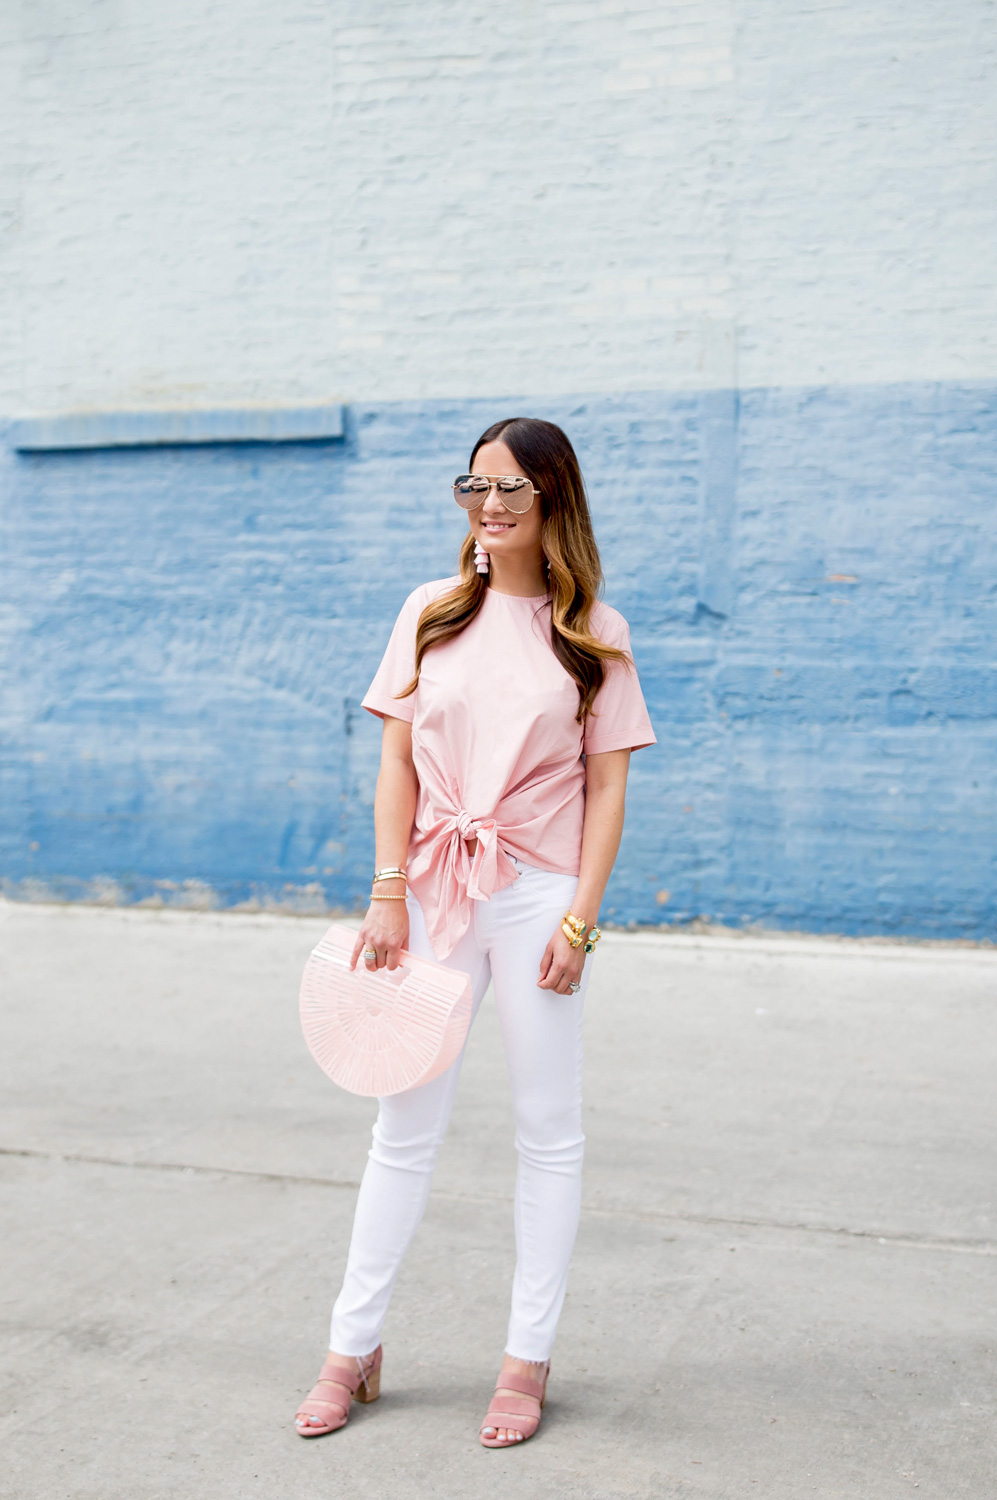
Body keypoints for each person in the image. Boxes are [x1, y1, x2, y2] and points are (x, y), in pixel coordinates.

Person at [294, 417, 656, 1447]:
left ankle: (524, 1361)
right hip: (434, 887)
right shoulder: (429, 611)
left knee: (548, 1131)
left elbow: (607, 787)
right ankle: (350, 1346)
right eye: (473, 487)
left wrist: (580, 924)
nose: (487, 509)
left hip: (539, 890)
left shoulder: (595, 630)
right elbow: (398, 764)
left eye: (510, 492)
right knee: (401, 1125)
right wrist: (386, 888)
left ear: (553, 505)